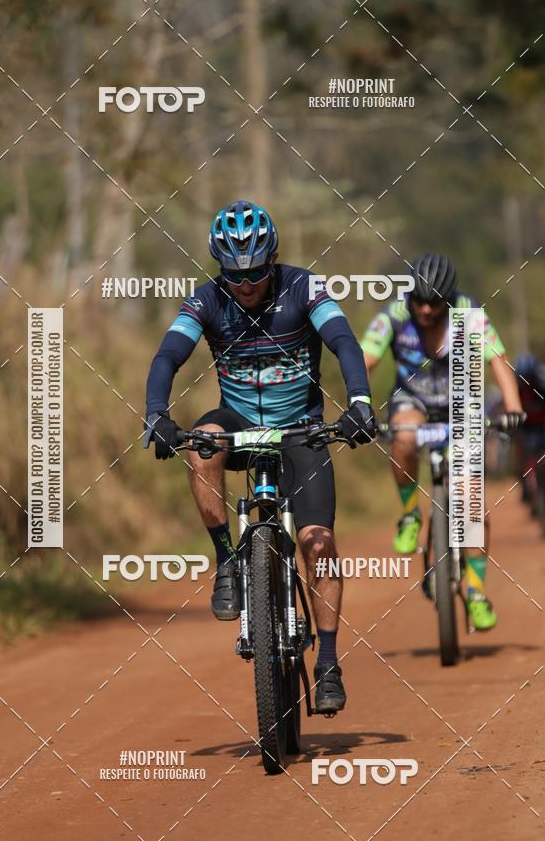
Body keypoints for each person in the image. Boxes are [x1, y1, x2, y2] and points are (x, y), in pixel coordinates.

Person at [143, 200, 376, 713]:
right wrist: (156, 414)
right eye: (234, 276)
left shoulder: (304, 288)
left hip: (301, 432)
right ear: (219, 269)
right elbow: (167, 356)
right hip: (240, 425)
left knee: (318, 544)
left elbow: (343, 341)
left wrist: (358, 401)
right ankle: (227, 559)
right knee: (202, 440)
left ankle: (329, 662)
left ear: (273, 260)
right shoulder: (206, 300)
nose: (245, 286)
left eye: (254, 274)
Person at [360, 253, 525, 631]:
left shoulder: (469, 313)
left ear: (449, 298)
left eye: (436, 302)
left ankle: (476, 590)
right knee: (401, 437)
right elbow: (365, 357)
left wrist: (513, 407)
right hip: (412, 400)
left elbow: (498, 358)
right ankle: (410, 514)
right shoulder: (395, 314)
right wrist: (359, 402)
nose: (427, 309)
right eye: (420, 300)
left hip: (461, 401)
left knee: (469, 500)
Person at [515, 353, 545, 510]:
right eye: (522, 378)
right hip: (527, 424)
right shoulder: (516, 386)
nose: (526, 381)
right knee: (520, 450)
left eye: (528, 377)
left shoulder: (543, 382)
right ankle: (526, 487)